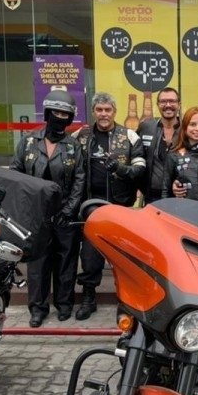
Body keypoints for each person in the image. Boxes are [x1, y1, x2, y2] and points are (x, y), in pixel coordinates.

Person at [9, 89, 85, 327]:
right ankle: (38, 308)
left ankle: (64, 304)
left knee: (66, 261)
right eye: (56, 113)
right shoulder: (29, 142)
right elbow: (16, 175)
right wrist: (25, 209)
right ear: (47, 113)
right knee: (37, 263)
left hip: (65, 214)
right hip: (36, 216)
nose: (60, 118)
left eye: (65, 114)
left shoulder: (73, 146)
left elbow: (79, 180)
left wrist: (69, 210)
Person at [72, 92, 146, 320]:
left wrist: (120, 169)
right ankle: (88, 298)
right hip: (91, 208)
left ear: (115, 112)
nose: (104, 114)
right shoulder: (80, 136)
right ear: (93, 112)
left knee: (123, 257)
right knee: (90, 255)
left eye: (108, 110)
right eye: (99, 110)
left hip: (121, 207)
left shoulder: (130, 136)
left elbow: (140, 169)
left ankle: (128, 302)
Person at [137, 87, 181, 204]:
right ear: (157, 105)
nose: (168, 105)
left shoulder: (187, 130)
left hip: (180, 196)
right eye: (163, 101)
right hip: (151, 196)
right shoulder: (146, 127)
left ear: (179, 104)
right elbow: (136, 155)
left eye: (172, 101)